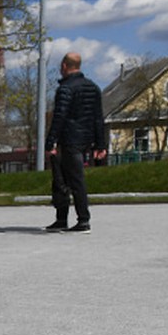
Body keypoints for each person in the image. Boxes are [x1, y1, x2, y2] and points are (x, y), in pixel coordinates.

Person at [45, 52, 107, 234]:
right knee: (71, 179)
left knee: (67, 179)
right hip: (85, 138)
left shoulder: (65, 89)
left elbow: (59, 116)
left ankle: (82, 220)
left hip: (68, 138)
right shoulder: (93, 87)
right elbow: (98, 118)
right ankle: (62, 220)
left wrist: (51, 142)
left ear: (64, 66)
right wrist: (100, 144)